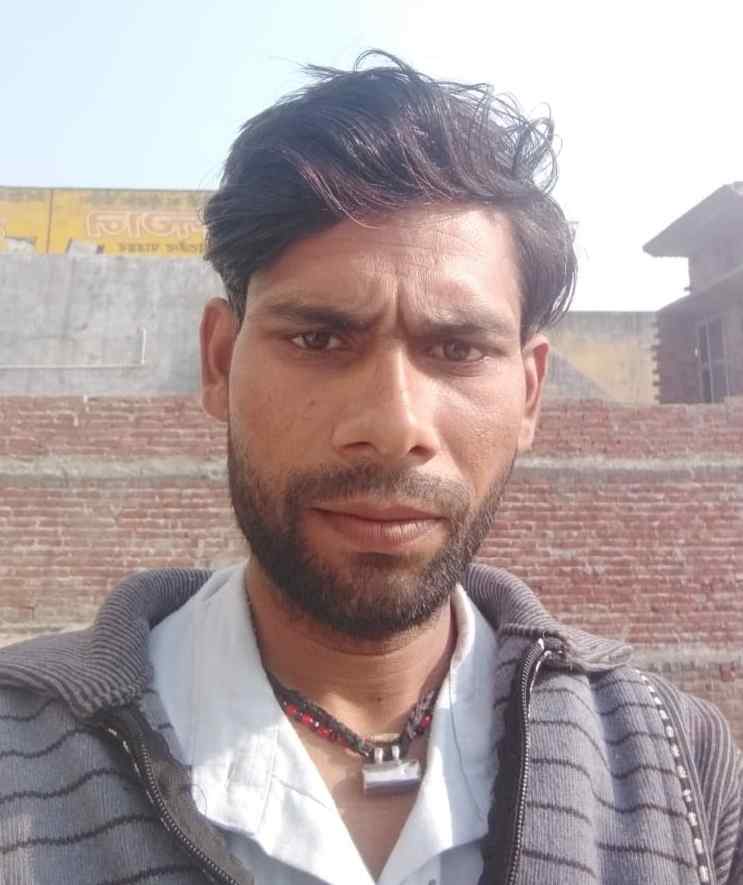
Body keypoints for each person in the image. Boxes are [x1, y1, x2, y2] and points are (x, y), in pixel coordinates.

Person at [0, 51, 740, 885]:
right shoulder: (20, 753)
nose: (393, 427)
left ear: (529, 394)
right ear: (218, 362)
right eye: (318, 339)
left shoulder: (678, 768)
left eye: (456, 350)